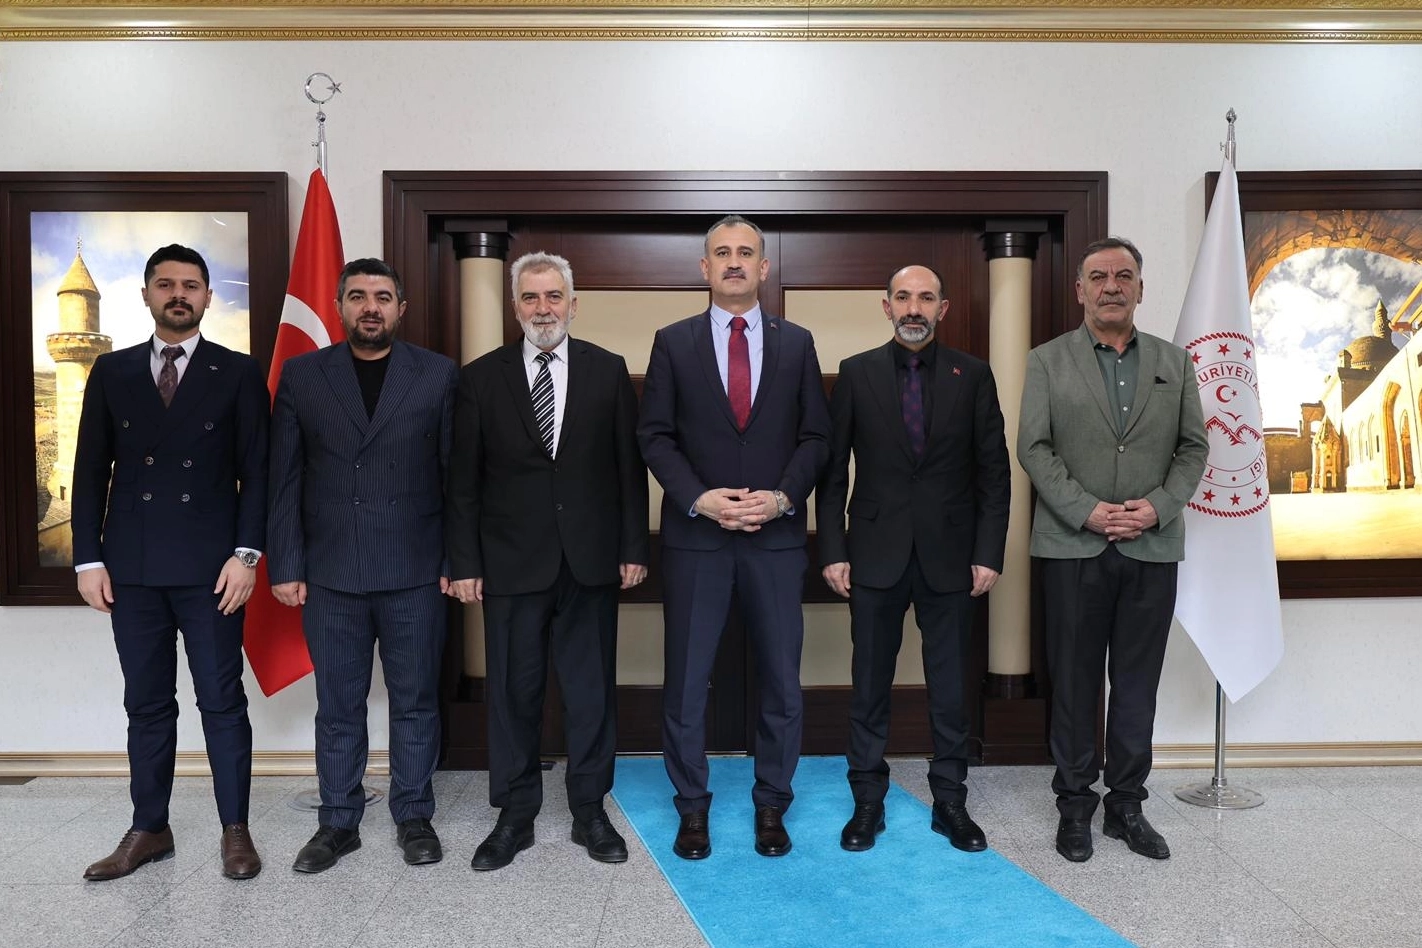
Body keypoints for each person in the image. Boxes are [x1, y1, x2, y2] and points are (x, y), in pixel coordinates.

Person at [446, 252, 649, 871]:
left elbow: (628, 469)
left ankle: (590, 810)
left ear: (573, 304)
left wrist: (633, 548)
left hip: (590, 561)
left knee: (590, 693)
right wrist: (464, 561)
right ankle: (515, 815)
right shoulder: (480, 378)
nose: (543, 308)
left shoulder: (607, 370)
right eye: (531, 298)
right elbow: (463, 481)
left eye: (553, 296)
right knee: (514, 693)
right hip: (510, 564)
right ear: (515, 307)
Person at [72, 243, 268, 881]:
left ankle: (235, 830)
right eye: (166, 284)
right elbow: (89, 471)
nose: (178, 294)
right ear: (147, 294)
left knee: (222, 702)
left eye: (191, 285)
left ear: (208, 296)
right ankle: (150, 827)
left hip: (213, 569)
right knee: (147, 704)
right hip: (132, 567)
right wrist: (87, 560)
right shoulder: (112, 371)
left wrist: (246, 555)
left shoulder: (237, 372)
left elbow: (258, 473)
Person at [637, 214, 831, 860]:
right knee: (687, 682)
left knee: (781, 682)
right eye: (722, 252)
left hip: (775, 540)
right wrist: (699, 498)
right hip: (698, 540)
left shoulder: (797, 343)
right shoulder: (673, 342)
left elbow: (816, 437)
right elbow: (654, 436)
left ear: (764, 267)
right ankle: (691, 808)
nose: (735, 262)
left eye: (746, 252)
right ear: (705, 267)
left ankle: (772, 804)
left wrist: (781, 498)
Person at [1017, 237, 1207, 863]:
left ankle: (1126, 806)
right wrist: (1087, 510)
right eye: (1098, 276)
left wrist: (1158, 506)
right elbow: (1033, 446)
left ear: (1141, 289)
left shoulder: (1176, 363)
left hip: (1151, 546)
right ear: (1080, 290)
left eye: (1124, 275)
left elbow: (1193, 448)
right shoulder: (1047, 361)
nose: (1111, 286)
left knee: (1136, 683)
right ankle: (1075, 807)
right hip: (1073, 546)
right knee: (1074, 683)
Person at [267, 258, 458, 873]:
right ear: (339, 306)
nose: (370, 307)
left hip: (415, 571)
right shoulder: (304, 375)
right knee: (338, 706)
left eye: (381, 296)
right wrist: (285, 563)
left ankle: (415, 815)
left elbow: (455, 477)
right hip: (332, 574)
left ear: (401, 308)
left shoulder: (437, 374)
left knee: (416, 702)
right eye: (357, 296)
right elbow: (283, 477)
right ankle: (337, 822)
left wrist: (455, 559)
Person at [818, 264, 1010, 854]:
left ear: (942, 309)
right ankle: (866, 801)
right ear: (886, 306)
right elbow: (833, 472)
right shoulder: (856, 373)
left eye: (926, 298)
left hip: (952, 558)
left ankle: (950, 801)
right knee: (869, 684)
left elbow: (994, 473)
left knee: (950, 687)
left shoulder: (972, 375)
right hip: (873, 554)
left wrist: (988, 552)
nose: (913, 308)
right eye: (903, 297)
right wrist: (833, 549)